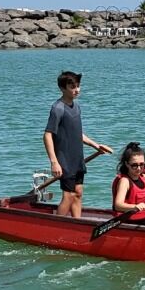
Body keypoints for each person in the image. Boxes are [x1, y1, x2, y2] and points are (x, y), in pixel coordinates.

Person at [43, 70, 112, 219]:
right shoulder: (58, 108)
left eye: (78, 86)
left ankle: (78, 223)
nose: (77, 90)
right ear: (62, 88)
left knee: (78, 193)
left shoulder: (76, 107)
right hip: (65, 160)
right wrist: (54, 162)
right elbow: (47, 135)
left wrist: (96, 145)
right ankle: (56, 226)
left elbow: (77, 133)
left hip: (77, 159)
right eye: (72, 87)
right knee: (68, 196)